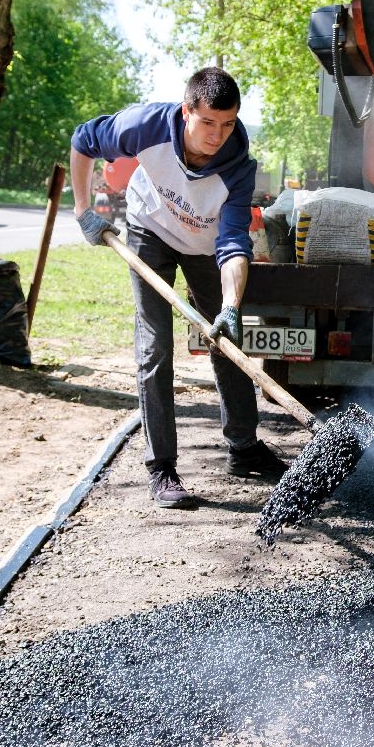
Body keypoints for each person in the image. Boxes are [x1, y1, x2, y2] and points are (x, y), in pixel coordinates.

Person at [70, 67, 288, 509]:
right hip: (148, 230)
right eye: (207, 123)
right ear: (186, 110)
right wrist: (81, 210)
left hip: (204, 247)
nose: (217, 135)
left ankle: (243, 447)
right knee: (156, 347)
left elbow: (232, 244)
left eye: (227, 124)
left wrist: (229, 305)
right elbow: (82, 140)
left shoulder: (238, 168)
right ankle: (162, 468)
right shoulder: (144, 126)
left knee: (229, 339)